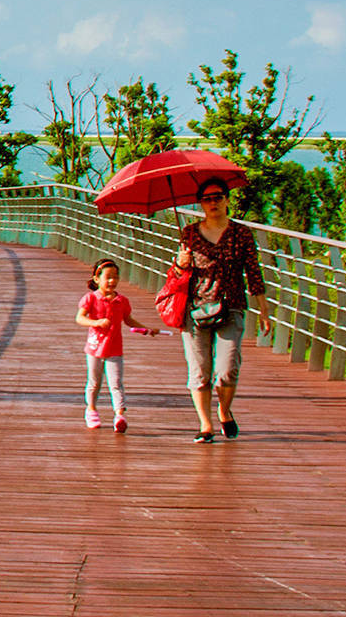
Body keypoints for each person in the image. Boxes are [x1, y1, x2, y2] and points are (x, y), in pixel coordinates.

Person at [168, 176, 264, 442]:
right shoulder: (188, 233)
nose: (213, 203)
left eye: (218, 197)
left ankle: (224, 410)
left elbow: (253, 272)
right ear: (200, 203)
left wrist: (264, 309)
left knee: (227, 368)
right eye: (207, 199)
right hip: (196, 308)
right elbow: (178, 275)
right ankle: (205, 424)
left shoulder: (241, 233)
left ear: (227, 200)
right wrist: (180, 263)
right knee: (199, 372)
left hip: (231, 306)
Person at [76, 257, 156, 432]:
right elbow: (79, 318)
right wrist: (96, 323)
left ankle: (119, 415)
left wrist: (146, 330)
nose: (112, 281)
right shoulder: (90, 298)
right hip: (95, 348)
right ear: (97, 279)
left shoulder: (122, 301)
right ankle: (91, 410)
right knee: (94, 382)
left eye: (116, 277)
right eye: (108, 277)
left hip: (114, 348)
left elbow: (128, 320)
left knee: (116, 383)